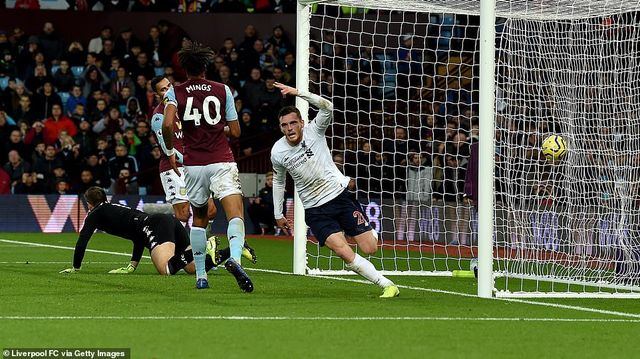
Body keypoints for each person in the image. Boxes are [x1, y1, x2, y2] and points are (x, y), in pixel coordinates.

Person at [270, 82, 399, 298]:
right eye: (284, 125)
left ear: (302, 123)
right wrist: (277, 213)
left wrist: (299, 93)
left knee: (370, 248)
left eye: (293, 123)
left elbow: (327, 106)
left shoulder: (315, 131)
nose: (289, 128)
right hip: (315, 210)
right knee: (343, 252)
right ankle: (386, 284)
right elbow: (279, 181)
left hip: (339, 198)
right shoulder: (278, 152)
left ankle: (367, 233)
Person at [162, 41, 252, 291]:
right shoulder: (223, 90)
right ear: (205, 66)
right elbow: (235, 130)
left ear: (185, 68)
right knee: (235, 213)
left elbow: (167, 126)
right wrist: (215, 128)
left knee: (199, 218)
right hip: (221, 159)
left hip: (193, 165)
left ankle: (201, 276)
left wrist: (170, 151)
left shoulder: (175, 92)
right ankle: (233, 258)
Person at [58, 187, 251, 291]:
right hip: (166, 222)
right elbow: (137, 235)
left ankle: (206, 246)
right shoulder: (114, 208)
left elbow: (83, 240)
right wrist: (132, 265)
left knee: (166, 269)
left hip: (156, 225)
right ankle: (233, 249)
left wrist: (76, 267)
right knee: (193, 268)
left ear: (89, 203)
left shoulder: (95, 214)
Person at [150, 75, 257, 262]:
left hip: (194, 165)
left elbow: (204, 128)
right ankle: (182, 254)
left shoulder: (183, 107)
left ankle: (207, 246)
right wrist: (192, 158)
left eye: (169, 86)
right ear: (156, 94)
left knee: (211, 211)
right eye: (162, 89)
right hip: (173, 168)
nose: (167, 90)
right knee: (183, 214)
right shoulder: (159, 116)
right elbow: (169, 149)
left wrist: (219, 130)